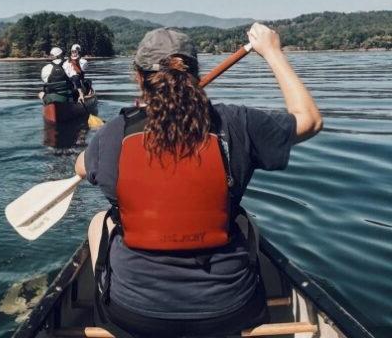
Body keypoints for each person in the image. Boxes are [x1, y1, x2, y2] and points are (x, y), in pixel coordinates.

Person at [73, 23, 322, 337]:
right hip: (230, 310)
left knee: (100, 222)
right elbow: (310, 120)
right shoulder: (236, 123)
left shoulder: (114, 133)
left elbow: (80, 167)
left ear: (138, 77)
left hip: (135, 314)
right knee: (246, 222)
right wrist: (272, 52)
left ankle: (107, 312)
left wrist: (121, 126)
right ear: (193, 75)